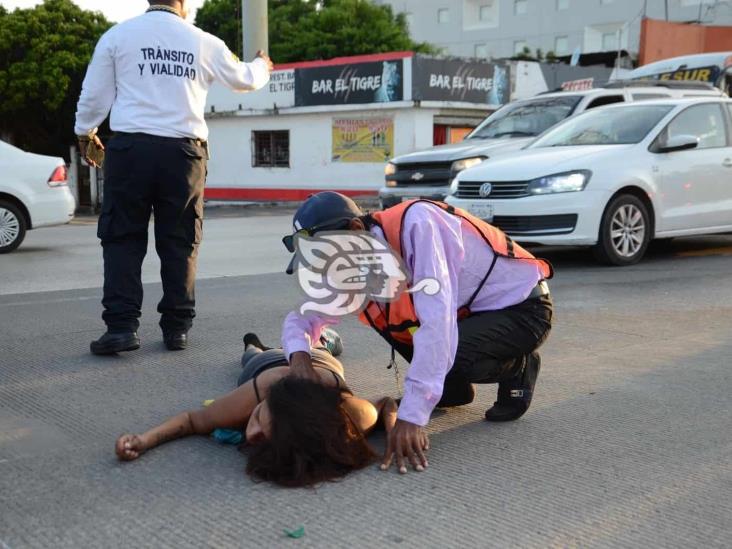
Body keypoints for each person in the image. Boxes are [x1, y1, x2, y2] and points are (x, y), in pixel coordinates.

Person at [281, 192, 554, 475]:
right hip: (469, 316)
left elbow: (438, 325)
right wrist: (300, 358)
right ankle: (450, 389)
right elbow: (303, 317)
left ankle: (518, 368)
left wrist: (412, 416)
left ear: (355, 230)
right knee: (394, 323)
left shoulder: (419, 225)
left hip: (522, 309)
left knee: (449, 349)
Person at [75, 1, 273, 355]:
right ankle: (176, 329)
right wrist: (263, 64)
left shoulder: (118, 36)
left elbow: (94, 96)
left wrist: (85, 134)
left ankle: (121, 329)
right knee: (180, 241)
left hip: (131, 151)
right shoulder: (203, 40)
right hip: (184, 155)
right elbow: (245, 79)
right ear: (183, 4)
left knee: (122, 238)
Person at [115, 333, 398, 487]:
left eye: (267, 434)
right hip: (266, 367)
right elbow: (191, 420)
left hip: (320, 363)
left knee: (319, 347)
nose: (252, 434)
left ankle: (325, 339)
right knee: (253, 354)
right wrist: (145, 439)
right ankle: (252, 343)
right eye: (261, 418)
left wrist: (396, 429)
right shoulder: (261, 391)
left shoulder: (350, 415)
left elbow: (386, 403)